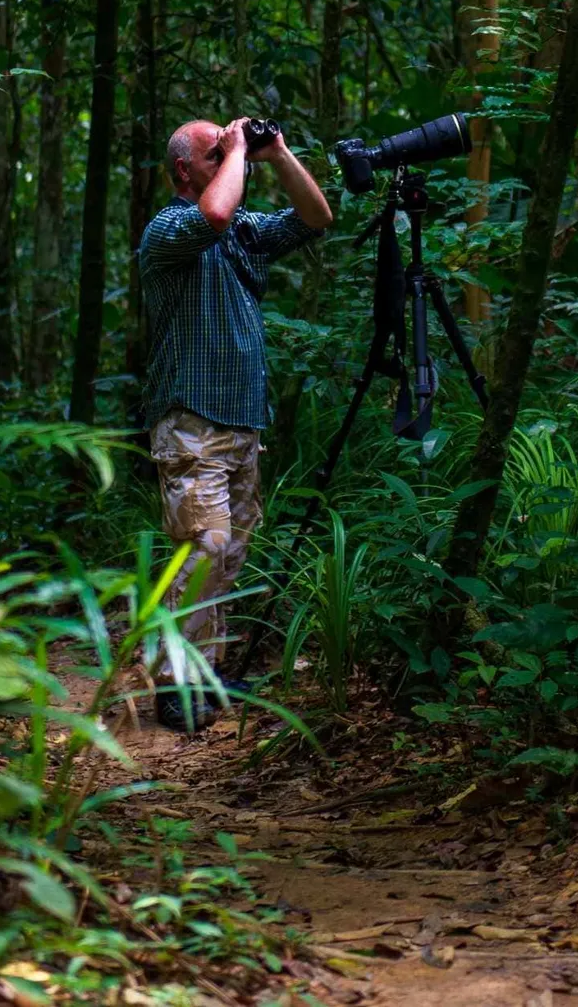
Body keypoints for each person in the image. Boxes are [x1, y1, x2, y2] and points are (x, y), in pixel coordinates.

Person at [140, 115, 332, 732]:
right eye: (216, 152)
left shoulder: (244, 230)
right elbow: (214, 215)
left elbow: (315, 218)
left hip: (244, 421)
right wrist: (238, 153)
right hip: (191, 419)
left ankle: (208, 672)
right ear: (184, 170)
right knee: (203, 548)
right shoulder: (169, 228)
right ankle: (174, 686)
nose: (230, 157)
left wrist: (275, 154)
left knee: (229, 555)